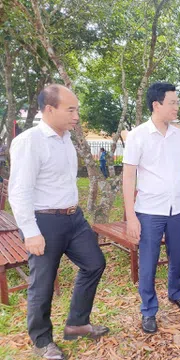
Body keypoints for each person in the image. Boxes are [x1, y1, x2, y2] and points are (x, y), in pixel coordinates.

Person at [9, 84, 108, 360]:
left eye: (77, 109)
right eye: (71, 109)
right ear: (49, 110)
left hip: (73, 219)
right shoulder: (29, 141)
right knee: (42, 283)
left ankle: (77, 323)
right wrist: (30, 231)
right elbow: (19, 191)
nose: (76, 115)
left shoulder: (65, 138)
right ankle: (42, 341)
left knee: (94, 263)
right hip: (44, 221)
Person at [122, 81, 180, 334]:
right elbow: (128, 177)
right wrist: (131, 216)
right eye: (173, 103)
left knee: (178, 256)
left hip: (177, 208)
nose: (177, 107)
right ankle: (148, 309)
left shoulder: (178, 135)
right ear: (157, 105)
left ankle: (176, 293)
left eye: (177, 102)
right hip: (149, 211)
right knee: (148, 262)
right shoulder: (137, 136)